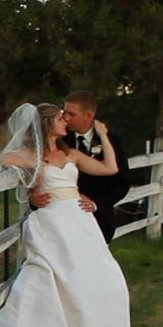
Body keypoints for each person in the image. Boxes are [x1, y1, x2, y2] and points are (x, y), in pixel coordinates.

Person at [0, 103, 132, 327]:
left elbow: (110, 168)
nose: (66, 121)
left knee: (107, 277)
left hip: (80, 220)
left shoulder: (72, 155)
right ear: (45, 125)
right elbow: (0, 163)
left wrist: (104, 135)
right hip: (52, 221)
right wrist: (31, 191)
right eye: (60, 118)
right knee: (61, 274)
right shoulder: (28, 156)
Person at [32, 91, 130, 243]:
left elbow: (121, 182)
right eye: (64, 113)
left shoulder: (113, 142)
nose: (66, 118)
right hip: (58, 220)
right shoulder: (58, 137)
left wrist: (96, 204)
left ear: (88, 116)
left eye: (72, 114)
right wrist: (32, 199)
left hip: (99, 219)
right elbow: (37, 173)